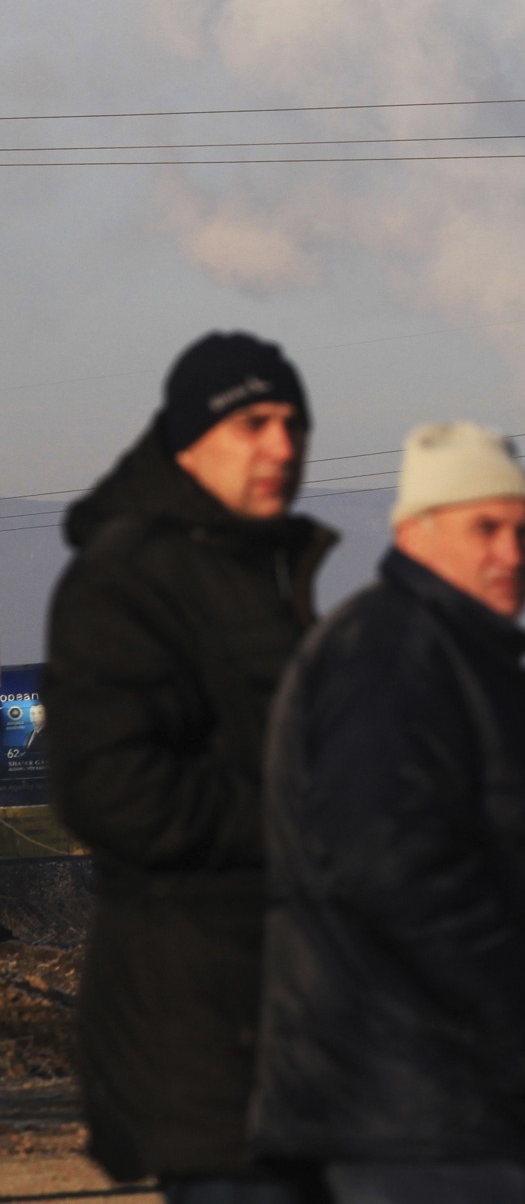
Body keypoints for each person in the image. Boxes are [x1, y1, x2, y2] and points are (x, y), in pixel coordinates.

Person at [255, 422, 525, 1204]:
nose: (512, 552)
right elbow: (394, 872)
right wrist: (522, 1021)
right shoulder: (389, 657)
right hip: (406, 1107)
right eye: (484, 527)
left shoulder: (462, 659)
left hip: (443, 1101)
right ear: (414, 531)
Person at [46, 332, 332, 1202]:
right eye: (253, 422)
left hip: (295, 1033)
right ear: (189, 440)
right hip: (204, 1038)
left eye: (293, 423)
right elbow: (109, 787)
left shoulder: (256, 573)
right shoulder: (128, 577)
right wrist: (300, 818)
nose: (282, 445)